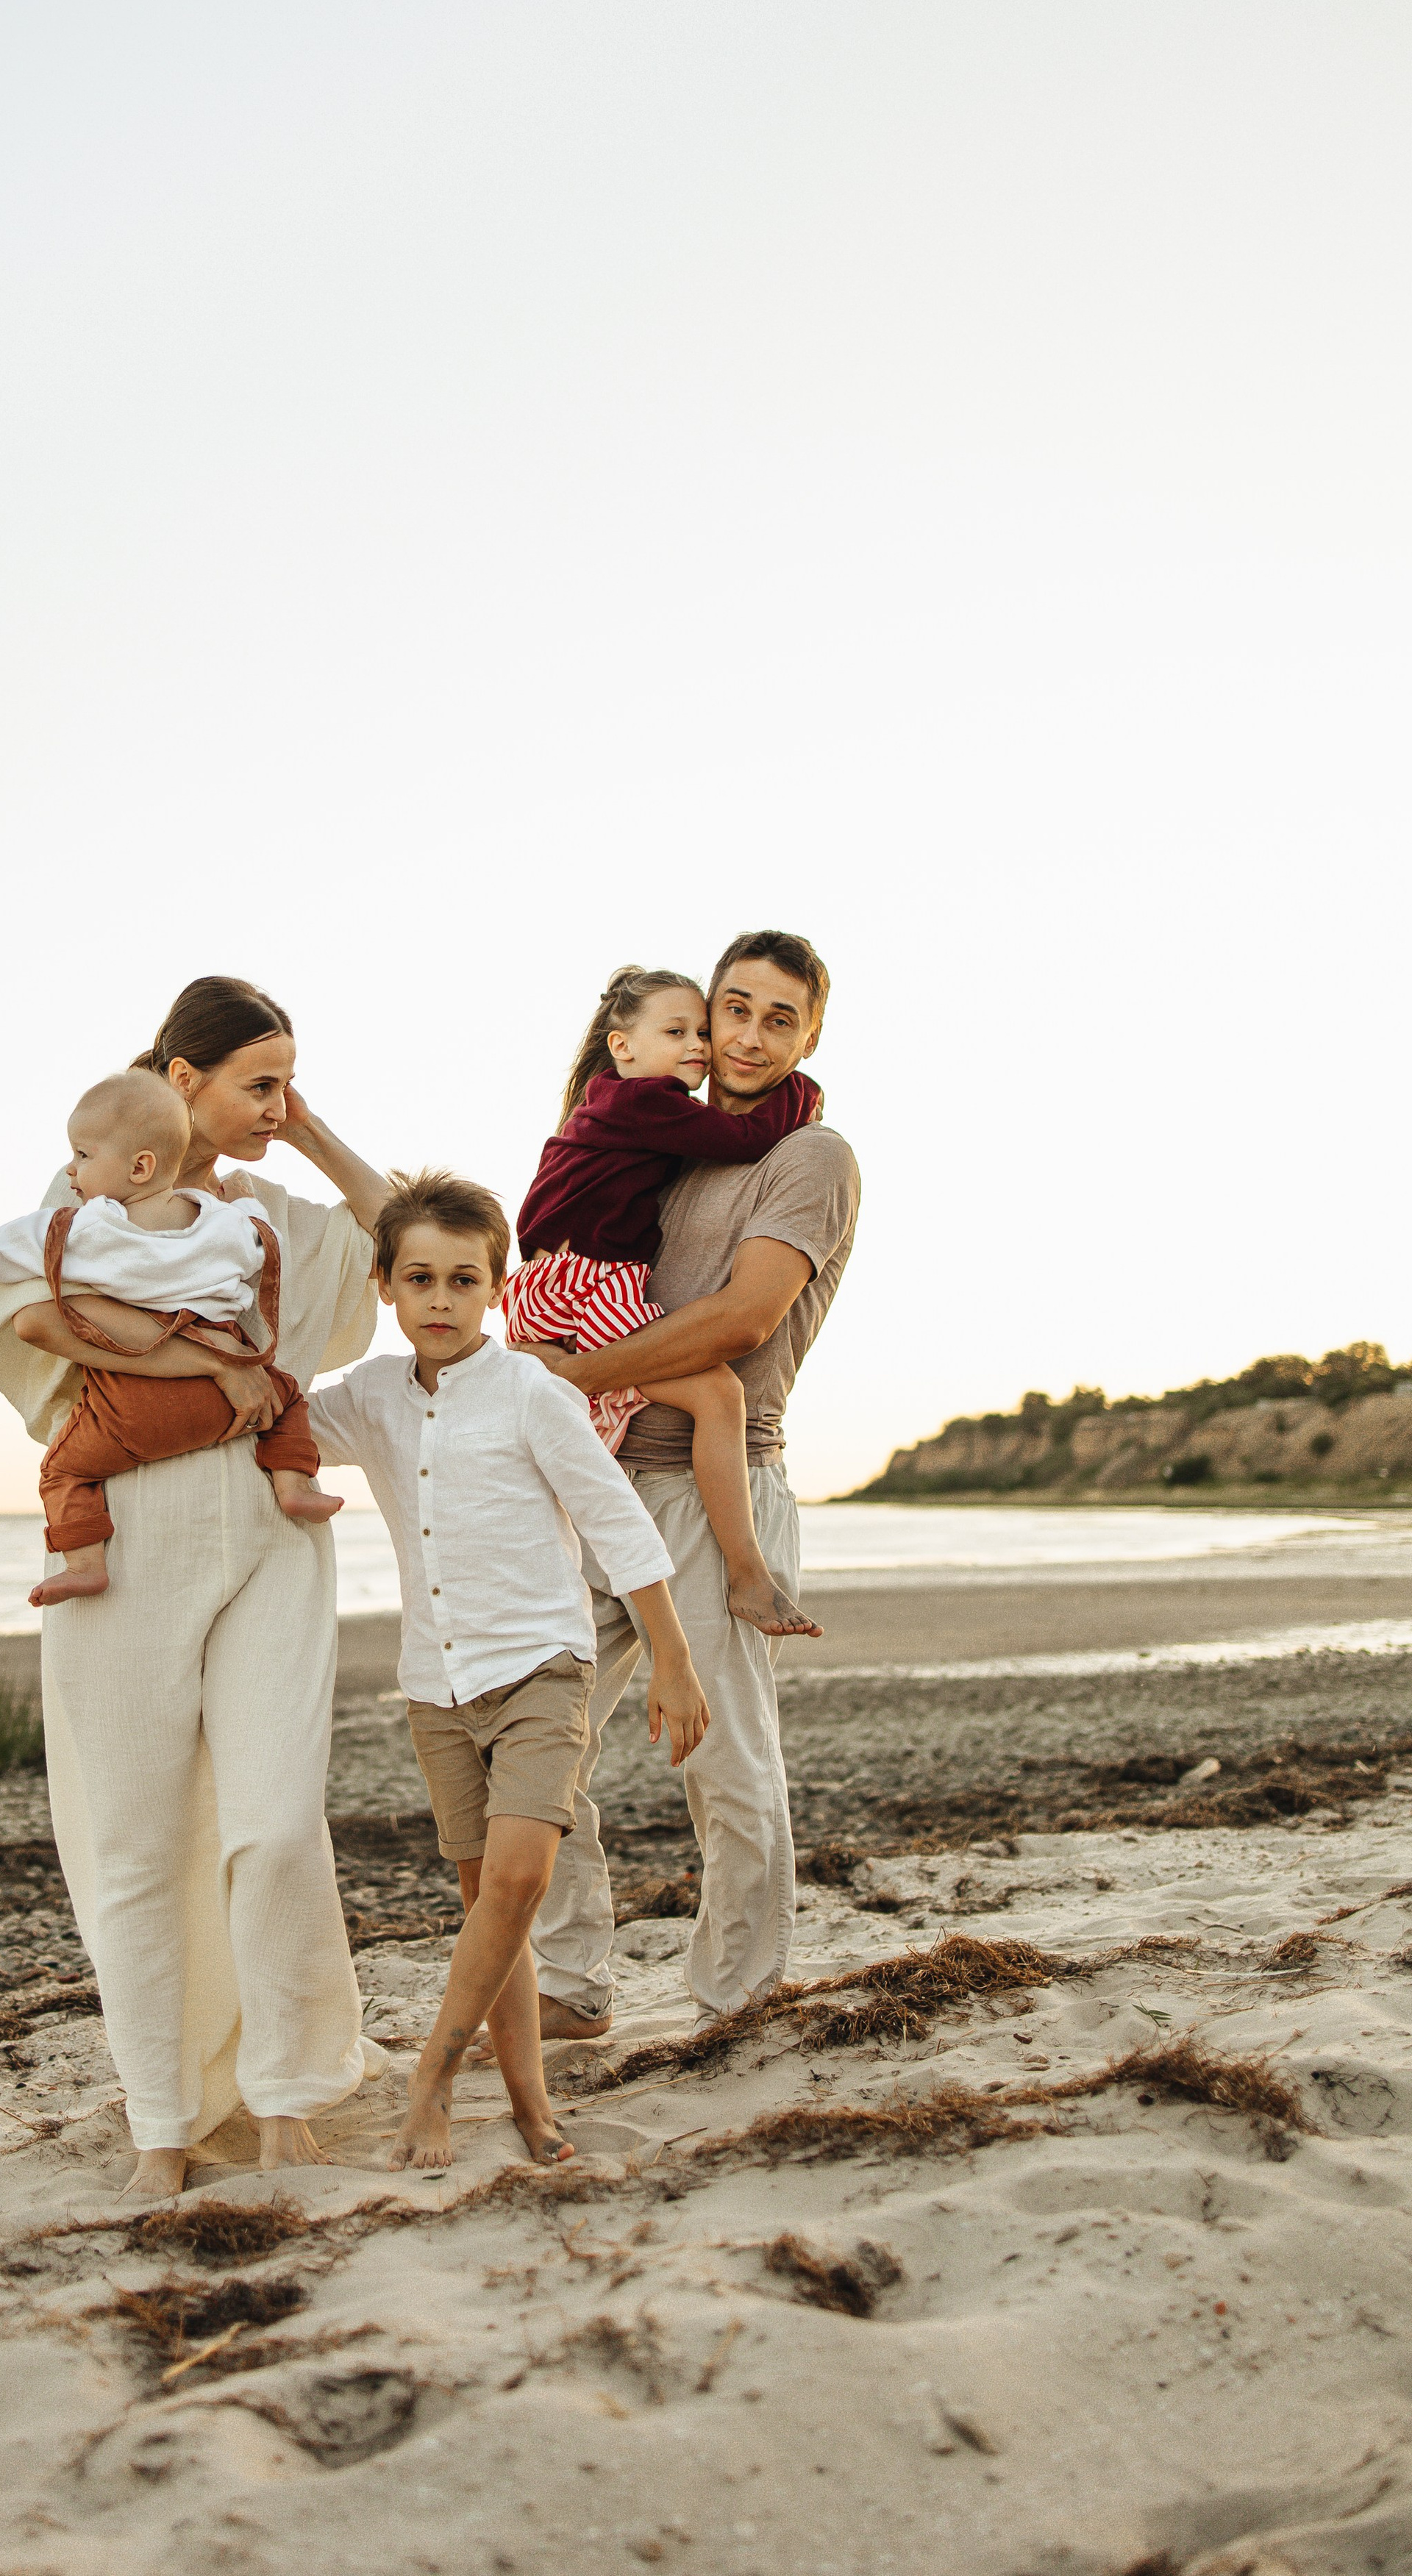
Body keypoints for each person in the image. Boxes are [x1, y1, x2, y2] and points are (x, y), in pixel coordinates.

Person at [0, 974, 387, 2191]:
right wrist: (199, 1360)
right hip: (128, 1531)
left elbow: (415, 1237)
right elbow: (26, 1325)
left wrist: (303, 1131)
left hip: (271, 1532)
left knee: (273, 1825)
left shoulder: (272, 1217)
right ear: (182, 1082)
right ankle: (161, 2120)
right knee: (139, 1841)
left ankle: (290, 2094)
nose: (280, 1104)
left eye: (290, 1084)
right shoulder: (92, 1190)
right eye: (261, 1083)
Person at [307, 1171, 707, 2170]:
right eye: (419, 1280)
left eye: (461, 1280)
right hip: (435, 1689)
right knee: (495, 1903)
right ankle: (531, 2107)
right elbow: (272, 1422)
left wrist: (673, 1661)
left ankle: (435, 2077)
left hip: (541, 1667)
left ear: (495, 1289)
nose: (439, 1301)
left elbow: (617, 1520)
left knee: (522, 1877)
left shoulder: (532, 1388)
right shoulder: (366, 1400)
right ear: (387, 1289)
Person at [514, 930, 859, 2036]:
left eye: (779, 1018)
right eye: (734, 1010)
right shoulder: (670, 1140)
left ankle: (736, 1998)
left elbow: (743, 1318)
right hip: (602, 1489)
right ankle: (569, 1986)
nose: (749, 1036)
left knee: (723, 1759)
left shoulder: (808, 1157)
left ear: (811, 1035)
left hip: (712, 1492)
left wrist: (564, 1380)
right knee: (537, 1738)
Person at [505, 963, 822, 1636]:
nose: (701, 1048)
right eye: (679, 1031)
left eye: (700, 1033)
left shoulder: (612, 1106)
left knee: (591, 1420)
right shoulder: (643, 1104)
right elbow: (746, 1138)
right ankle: (746, 1573)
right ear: (623, 1046)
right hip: (582, 1281)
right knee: (718, 1396)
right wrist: (801, 1090)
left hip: (553, 1284)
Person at [0, 1068, 340, 1606]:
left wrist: (40, 1230)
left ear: (140, 1166)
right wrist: (244, 1201)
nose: (73, 1172)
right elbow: (262, 1244)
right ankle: (292, 1486)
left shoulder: (90, 1227)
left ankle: (85, 1564)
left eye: (81, 1156)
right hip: (228, 1397)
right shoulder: (219, 1223)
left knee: (63, 1470)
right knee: (287, 1399)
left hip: (130, 1407)